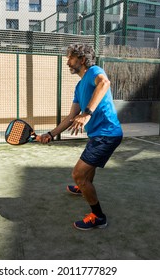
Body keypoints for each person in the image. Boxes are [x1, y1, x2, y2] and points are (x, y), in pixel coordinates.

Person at [39, 43, 123, 230]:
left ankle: (98, 217)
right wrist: (50, 134)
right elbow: (70, 117)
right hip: (97, 135)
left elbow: (105, 83)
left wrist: (87, 113)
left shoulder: (95, 71)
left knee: (78, 174)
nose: (67, 61)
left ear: (82, 60)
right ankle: (84, 186)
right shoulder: (79, 86)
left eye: (71, 57)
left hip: (107, 135)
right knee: (85, 173)